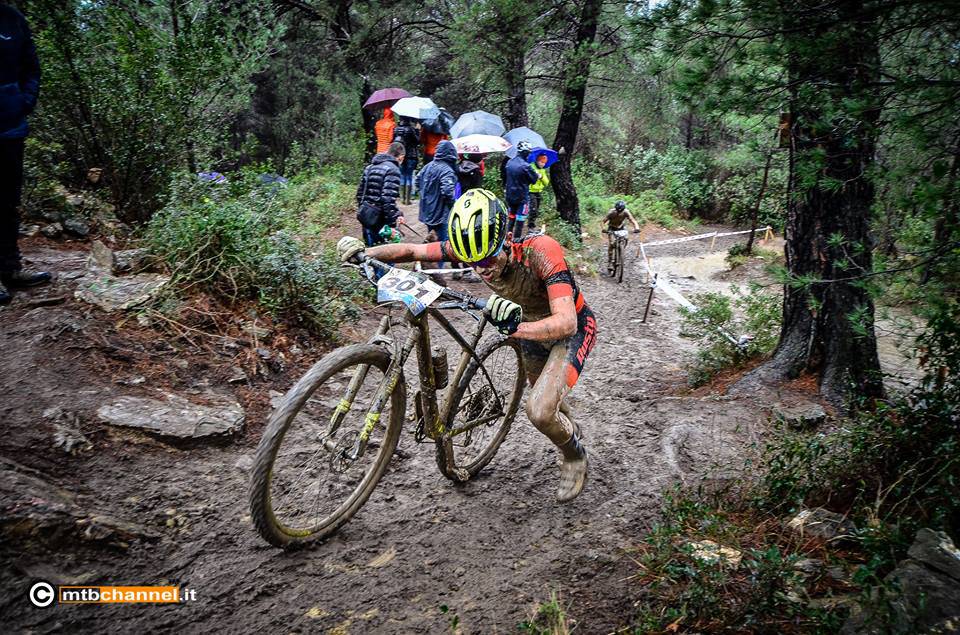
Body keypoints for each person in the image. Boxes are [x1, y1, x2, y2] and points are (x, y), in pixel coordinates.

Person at [336, 188, 597, 502]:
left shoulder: (541, 250)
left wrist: (517, 328)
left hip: (572, 331)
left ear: (504, 240)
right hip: (523, 325)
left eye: (487, 258)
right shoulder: (472, 248)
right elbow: (412, 251)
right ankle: (568, 428)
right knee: (549, 398)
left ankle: (574, 455)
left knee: (539, 412)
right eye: (472, 262)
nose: (482, 268)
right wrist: (366, 253)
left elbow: (566, 321)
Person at [0, 5, 46, 305]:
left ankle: (9, 268)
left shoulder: (12, 18)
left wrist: (24, 101)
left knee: (7, 200)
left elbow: (31, 66)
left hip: (10, 126)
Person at [356, 142, 405, 246]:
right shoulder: (393, 170)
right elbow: (388, 200)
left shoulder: (370, 167)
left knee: (369, 253)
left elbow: (360, 194)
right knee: (384, 256)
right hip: (380, 220)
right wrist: (392, 224)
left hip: (366, 216)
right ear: (401, 157)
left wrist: (398, 213)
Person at [416, 139, 457, 248]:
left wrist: (426, 194)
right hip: (441, 214)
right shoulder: (447, 170)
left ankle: (430, 261)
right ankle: (438, 263)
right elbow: (447, 192)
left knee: (433, 239)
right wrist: (454, 205)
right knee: (442, 245)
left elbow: (417, 180)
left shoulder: (427, 166)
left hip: (427, 211)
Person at [503, 141, 540, 237]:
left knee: (511, 218)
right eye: (528, 152)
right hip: (522, 198)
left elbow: (504, 177)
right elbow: (533, 180)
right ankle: (516, 244)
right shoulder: (526, 166)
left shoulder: (509, 162)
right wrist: (536, 174)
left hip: (510, 196)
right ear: (525, 152)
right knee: (520, 222)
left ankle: (507, 242)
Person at [600, 200, 641, 269]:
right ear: (615, 209)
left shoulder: (626, 212)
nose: (619, 212)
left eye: (621, 211)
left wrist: (637, 228)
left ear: (623, 209)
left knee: (626, 238)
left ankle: (621, 249)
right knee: (612, 243)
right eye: (618, 211)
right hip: (612, 228)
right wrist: (604, 229)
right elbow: (603, 222)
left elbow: (633, 220)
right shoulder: (611, 212)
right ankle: (610, 262)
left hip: (621, 227)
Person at [392, 117, 420, 204]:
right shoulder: (410, 129)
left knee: (402, 176)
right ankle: (407, 200)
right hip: (411, 156)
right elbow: (417, 141)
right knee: (409, 176)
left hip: (400, 155)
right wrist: (417, 130)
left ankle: (402, 199)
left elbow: (393, 141)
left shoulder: (396, 129)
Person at [528, 153, 550, 231]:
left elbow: (546, 183)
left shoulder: (542, 170)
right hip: (530, 191)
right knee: (533, 208)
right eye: (542, 162)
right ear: (537, 161)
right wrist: (534, 175)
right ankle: (531, 226)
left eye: (544, 163)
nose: (543, 164)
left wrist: (541, 177)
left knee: (536, 209)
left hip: (538, 191)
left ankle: (532, 224)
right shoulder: (531, 167)